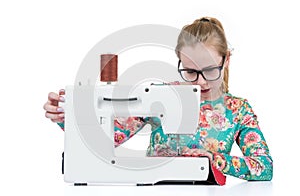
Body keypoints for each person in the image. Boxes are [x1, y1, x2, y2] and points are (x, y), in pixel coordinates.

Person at [43, 17, 273, 182]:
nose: (201, 82)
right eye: (191, 72)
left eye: (210, 70)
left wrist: (217, 160)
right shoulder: (160, 97)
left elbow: (264, 167)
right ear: (180, 62)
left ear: (227, 60)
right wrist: (69, 117)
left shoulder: (238, 110)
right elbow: (107, 138)